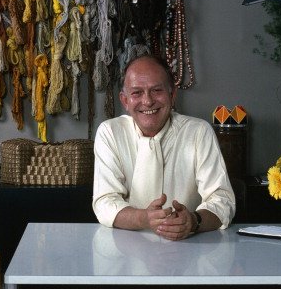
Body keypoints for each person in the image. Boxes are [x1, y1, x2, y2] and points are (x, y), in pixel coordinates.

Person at [92, 54, 235, 241]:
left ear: (172, 95)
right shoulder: (110, 132)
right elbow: (104, 202)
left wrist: (193, 221)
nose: (148, 101)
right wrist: (145, 219)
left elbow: (222, 200)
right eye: (136, 93)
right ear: (125, 101)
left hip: (188, 247)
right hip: (125, 247)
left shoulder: (198, 131)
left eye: (156, 90)